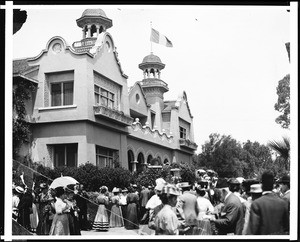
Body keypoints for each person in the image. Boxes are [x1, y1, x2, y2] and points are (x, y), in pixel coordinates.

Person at [246, 171, 289, 235]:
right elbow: (287, 228)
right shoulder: (283, 203)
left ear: (262, 185)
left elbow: (252, 230)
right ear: (273, 185)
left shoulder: (256, 204)